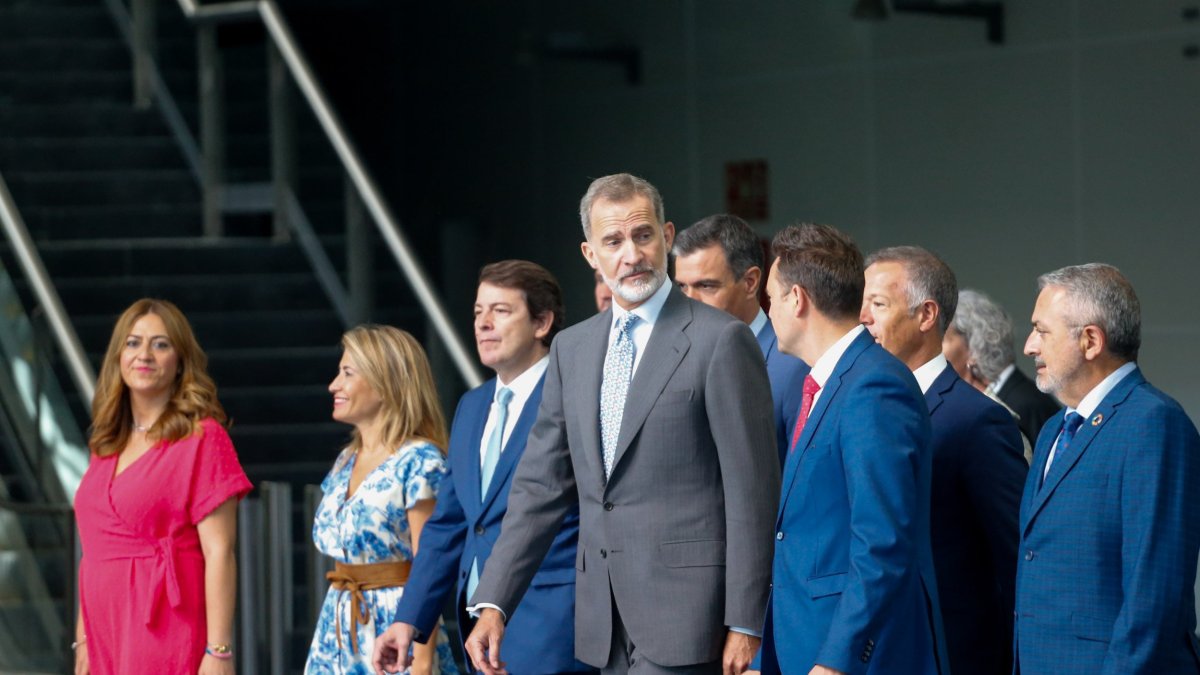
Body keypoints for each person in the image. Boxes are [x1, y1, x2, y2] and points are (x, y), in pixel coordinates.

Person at [453, 173, 778, 675]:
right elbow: (539, 486)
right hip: (601, 621)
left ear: (667, 237)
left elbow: (751, 492)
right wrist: (494, 602)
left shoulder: (721, 340)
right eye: (613, 240)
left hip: (690, 617)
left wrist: (746, 621)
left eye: (643, 235)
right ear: (590, 255)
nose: (632, 254)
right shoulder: (572, 348)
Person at [373, 261, 594, 674]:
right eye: (478, 312)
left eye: (501, 311)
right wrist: (410, 619)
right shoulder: (472, 406)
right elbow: (450, 524)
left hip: (553, 626)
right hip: (478, 634)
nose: (484, 324)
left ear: (542, 322)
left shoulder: (574, 398)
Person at [757, 224, 946, 674]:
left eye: (771, 298)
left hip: (856, 658)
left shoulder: (874, 385)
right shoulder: (825, 381)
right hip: (806, 642)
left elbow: (882, 541)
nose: (768, 312)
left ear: (797, 299)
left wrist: (839, 657)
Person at [1015, 263, 1200, 673]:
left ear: (1091, 340)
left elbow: (1153, 598)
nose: (1029, 346)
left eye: (1042, 331)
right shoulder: (1051, 431)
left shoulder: (1154, 425)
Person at [860, 247, 1026, 675]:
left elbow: (1015, 557)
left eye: (877, 304)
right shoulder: (864, 408)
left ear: (926, 315)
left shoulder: (978, 420)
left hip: (957, 655)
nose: (863, 318)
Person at [73, 298, 252, 674]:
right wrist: (83, 637)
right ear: (118, 356)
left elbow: (220, 552)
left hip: (165, 624)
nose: (145, 355)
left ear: (180, 361)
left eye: (161, 344)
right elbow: (94, 553)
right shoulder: (105, 444)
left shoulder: (203, 437)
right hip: (104, 630)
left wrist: (219, 652)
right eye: (133, 342)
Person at [305, 325, 459, 674]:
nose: (334, 385)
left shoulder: (421, 460)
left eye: (347, 373)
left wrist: (420, 665)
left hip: (396, 628)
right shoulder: (346, 460)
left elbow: (429, 564)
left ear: (385, 382)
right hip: (337, 629)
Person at [673, 213, 809, 464]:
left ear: (750, 282)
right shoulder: (670, 363)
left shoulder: (792, 368)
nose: (689, 303)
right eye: (682, 287)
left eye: (706, 286)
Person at [943, 288, 1061, 444]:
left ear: (973, 348)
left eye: (942, 340)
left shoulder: (1025, 405)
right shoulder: (1005, 398)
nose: (933, 351)